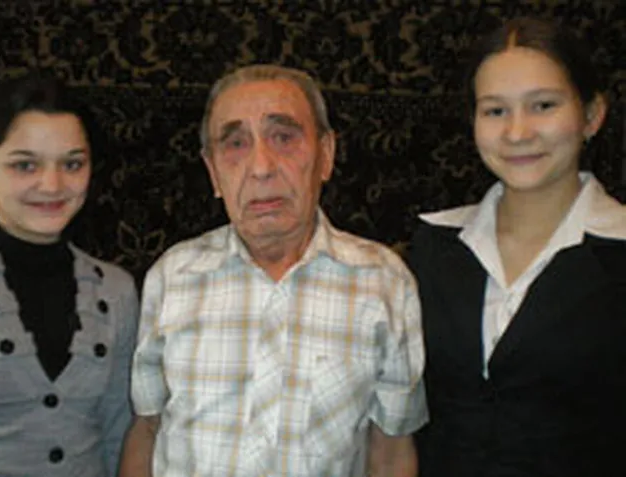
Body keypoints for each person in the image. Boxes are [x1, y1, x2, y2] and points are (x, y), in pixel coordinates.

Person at [120, 64, 428, 477]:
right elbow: (147, 428)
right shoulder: (172, 277)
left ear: (326, 154)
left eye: (283, 137)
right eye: (235, 143)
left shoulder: (385, 284)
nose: (261, 166)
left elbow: (390, 451)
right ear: (213, 172)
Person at [405, 17, 624, 476]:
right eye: (495, 111)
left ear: (591, 115)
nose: (518, 132)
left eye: (543, 105)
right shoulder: (429, 249)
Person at [0, 75, 138, 477]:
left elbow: (118, 436)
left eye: (72, 164)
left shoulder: (117, 291)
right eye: (25, 165)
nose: (52, 185)